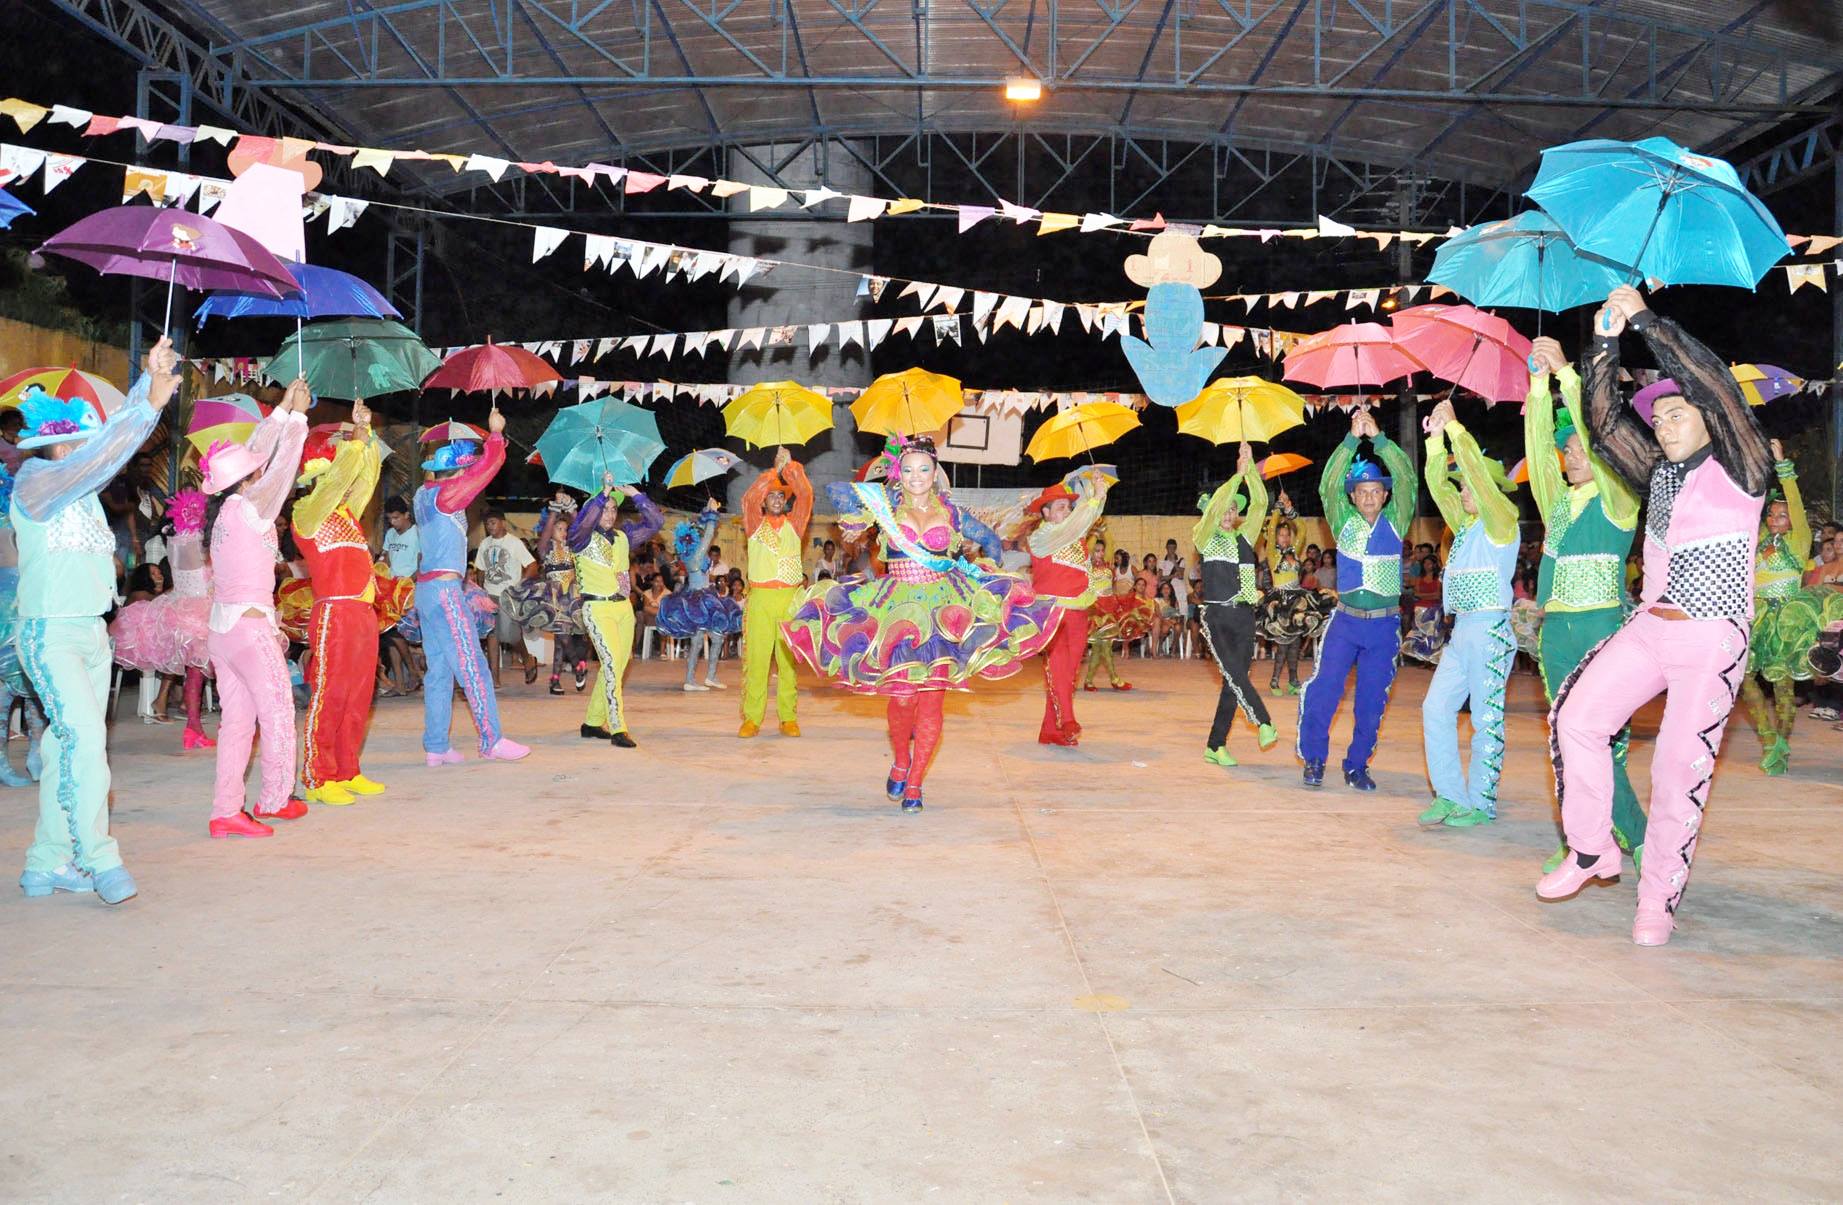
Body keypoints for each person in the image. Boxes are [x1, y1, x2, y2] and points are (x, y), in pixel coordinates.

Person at [1538, 285, 1775, 947]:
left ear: (1708, 419)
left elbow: (1714, 383)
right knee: (1575, 718)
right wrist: (1604, 341)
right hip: (1649, 628)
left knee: (1675, 770)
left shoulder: (1743, 466)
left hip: (1711, 636)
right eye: (1659, 418)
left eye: (1676, 414)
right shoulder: (1660, 475)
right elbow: (1603, 423)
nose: (1663, 426)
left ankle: (1656, 902)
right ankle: (1592, 849)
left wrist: (1647, 320)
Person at [783, 436, 1060, 810]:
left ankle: (914, 783)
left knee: (931, 702)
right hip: (896, 607)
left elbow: (990, 541)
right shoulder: (885, 505)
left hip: (943, 611)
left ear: (935, 472)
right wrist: (851, 524)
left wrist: (985, 572)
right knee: (902, 698)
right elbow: (842, 503)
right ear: (899, 473)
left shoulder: (953, 514)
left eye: (924, 469)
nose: (917, 476)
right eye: (909, 469)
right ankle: (901, 760)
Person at [13, 341, 180, 902]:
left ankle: (45, 862)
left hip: (90, 633)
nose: (97, 450)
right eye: (85, 441)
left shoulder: (82, 493)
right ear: (62, 447)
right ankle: (98, 857)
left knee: (67, 747)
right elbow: (103, 454)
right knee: (86, 744)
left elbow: (104, 452)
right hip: (50, 633)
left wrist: (148, 382)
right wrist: (148, 404)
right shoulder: (36, 482)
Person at [1523, 335, 1647, 872]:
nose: (1569, 455)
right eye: (1567, 449)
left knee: (1603, 743)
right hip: (1556, 634)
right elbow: (1537, 453)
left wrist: (1568, 377)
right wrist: (1537, 385)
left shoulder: (1619, 501)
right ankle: (1583, 837)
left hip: (1601, 630)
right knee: (1563, 739)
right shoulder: (1559, 503)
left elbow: (1597, 431)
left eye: (1578, 448)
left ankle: (1636, 837)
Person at [200, 380, 313, 838]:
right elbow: (281, 469)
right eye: (253, 471)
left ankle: (225, 811)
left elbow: (257, 452)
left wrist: (282, 410)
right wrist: (299, 418)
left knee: (237, 724)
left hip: (223, 633)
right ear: (248, 479)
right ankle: (275, 798)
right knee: (278, 714)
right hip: (250, 630)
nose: (259, 468)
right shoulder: (253, 507)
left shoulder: (227, 510)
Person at [1295, 408, 1417, 790]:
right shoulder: (1341, 519)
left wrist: (1378, 437)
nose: (1368, 497)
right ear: (1352, 496)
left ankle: (1357, 765)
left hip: (1383, 627)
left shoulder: (1397, 519)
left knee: (1371, 701)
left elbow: (1407, 478)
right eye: (1361, 491)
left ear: (1385, 495)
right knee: (1324, 690)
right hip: (1345, 623)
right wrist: (1351, 439)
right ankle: (1314, 759)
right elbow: (1327, 485)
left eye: (1375, 490)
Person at [1416, 400, 1521, 829]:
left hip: (1490, 630)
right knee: (1434, 708)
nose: (1462, 491)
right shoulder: (1466, 528)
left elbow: (1476, 473)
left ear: (1489, 489)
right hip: (1462, 633)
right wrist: (1435, 439)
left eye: (1469, 486)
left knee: (1485, 719)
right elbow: (1437, 484)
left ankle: (1481, 802)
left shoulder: (1503, 520)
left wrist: (1458, 429)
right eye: (1462, 486)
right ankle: (1450, 795)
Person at [292, 402, 393, 807]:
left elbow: (366, 479)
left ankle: (348, 769)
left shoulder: (346, 514)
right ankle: (318, 775)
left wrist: (366, 435)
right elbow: (336, 484)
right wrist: (354, 442)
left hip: (362, 613)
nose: (341, 481)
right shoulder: (306, 515)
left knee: (359, 694)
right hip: (334, 613)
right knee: (330, 693)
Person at [414, 412, 529, 766]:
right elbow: (487, 470)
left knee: (439, 670)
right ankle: (491, 740)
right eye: (464, 470)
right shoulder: (447, 496)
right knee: (472, 664)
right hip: (445, 592)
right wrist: (495, 435)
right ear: (458, 472)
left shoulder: (422, 494)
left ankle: (436, 746)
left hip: (425, 592)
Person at [1739, 440, 1842, 774]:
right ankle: (1768, 738)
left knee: (1783, 687)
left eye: (1782, 515)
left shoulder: (1798, 542)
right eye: (1772, 514)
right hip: (1756, 616)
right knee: (1744, 679)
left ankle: (1782, 742)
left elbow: (1795, 502)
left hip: (1786, 621)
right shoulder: (1758, 541)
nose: (1775, 518)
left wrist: (1782, 465)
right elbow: (1749, 505)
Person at [1193, 442, 1280, 766]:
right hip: (1216, 617)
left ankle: (1215, 745)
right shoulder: (1204, 536)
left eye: (1233, 509)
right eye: (1224, 509)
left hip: (1244, 616)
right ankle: (1264, 722)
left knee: (1234, 681)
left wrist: (1250, 468)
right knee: (1235, 675)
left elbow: (1261, 503)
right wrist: (1236, 476)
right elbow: (1215, 508)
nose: (1228, 514)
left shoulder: (1245, 538)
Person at [110, 488, 214, 750]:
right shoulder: (198, 542)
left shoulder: (173, 539)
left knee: (196, 673)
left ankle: (193, 727)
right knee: (201, 673)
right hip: (201, 611)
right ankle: (198, 726)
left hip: (178, 608)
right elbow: (207, 577)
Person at [568, 475, 663, 747]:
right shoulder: (580, 538)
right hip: (597, 609)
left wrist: (636, 495)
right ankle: (618, 727)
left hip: (623, 610)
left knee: (617, 667)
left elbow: (656, 522)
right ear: (592, 511)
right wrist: (602, 494)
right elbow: (585, 521)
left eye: (613, 509)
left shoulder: (623, 537)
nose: (609, 514)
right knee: (610, 665)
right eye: (604, 509)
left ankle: (592, 722)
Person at [1025, 466, 1112, 747]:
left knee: (1067, 673)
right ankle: (1069, 721)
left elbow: (1083, 526)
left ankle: (1050, 730)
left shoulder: (1075, 538)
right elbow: (1078, 523)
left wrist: (1098, 492)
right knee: (1059, 667)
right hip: (1053, 612)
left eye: (1069, 507)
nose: (1067, 511)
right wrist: (1095, 497)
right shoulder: (1041, 538)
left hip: (1078, 611)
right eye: (1061, 507)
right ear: (1046, 512)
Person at [738, 448, 814, 739]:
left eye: (781, 496)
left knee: (788, 663)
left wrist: (789, 468)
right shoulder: (754, 524)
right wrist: (773, 472)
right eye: (772, 496)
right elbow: (748, 499)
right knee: (757, 661)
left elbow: (805, 494)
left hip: (789, 599)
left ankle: (788, 717)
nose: (777, 500)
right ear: (765, 501)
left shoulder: (796, 523)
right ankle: (752, 718)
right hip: (761, 599)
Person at [503, 493, 590, 695]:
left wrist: (571, 509)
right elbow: (545, 534)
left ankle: (555, 680)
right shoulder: (546, 548)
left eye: (565, 529)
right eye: (559, 529)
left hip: (572, 598)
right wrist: (554, 510)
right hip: (553, 598)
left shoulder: (573, 548)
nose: (563, 532)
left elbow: (583, 531)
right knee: (563, 636)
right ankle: (578, 667)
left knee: (561, 640)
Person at [658, 497, 742, 692]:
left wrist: (707, 509)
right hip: (699, 601)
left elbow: (703, 529)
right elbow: (709, 533)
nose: (698, 534)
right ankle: (690, 680)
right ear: (692, 540)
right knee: (697, 642)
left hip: (704, 597)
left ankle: (710, 677)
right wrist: (712, 513)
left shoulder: (691, 553)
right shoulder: (695, 556)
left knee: (717, 638)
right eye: (696, 534)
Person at [0, 464, 47, 788]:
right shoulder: (12, 520)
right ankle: (6, 761)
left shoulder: (23, 516)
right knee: (9, 685)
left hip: (27, 601)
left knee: (34, 681)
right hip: (10, 608)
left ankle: (35, 754)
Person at [473, 508, 538, 686]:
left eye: (493, 522)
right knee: (492, 635)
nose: (490, 526)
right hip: (490, 594)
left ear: (502, 523)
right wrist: (481, 592)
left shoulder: (514, 543)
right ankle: (494, 679)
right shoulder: (485, 543)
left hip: (509, 595)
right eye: (487, 523)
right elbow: (480, 569)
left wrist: (520, 584)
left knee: (510, 635)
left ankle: (527, 658)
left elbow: (532, 566)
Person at [1084, 573, 1152, 691]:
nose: (1100, 553)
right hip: (1095, 608)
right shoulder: (1088, 567)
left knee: (1098, 650)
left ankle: (1089, 681)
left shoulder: (1109, 567)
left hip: (1109, 608)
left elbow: (1112, 587)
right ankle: (1114, 680)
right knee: (1104, 648)